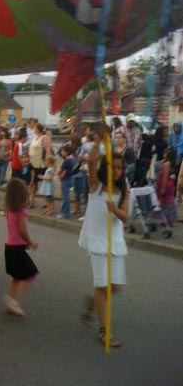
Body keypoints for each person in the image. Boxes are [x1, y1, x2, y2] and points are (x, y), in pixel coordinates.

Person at [78, 139, 129, 348]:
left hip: (115, 241)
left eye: (119, 168)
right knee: (102, 285)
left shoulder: (124, 190)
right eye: (112, 167)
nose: (116, 171)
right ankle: (104, 330)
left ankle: (92, 302)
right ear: (105, 168)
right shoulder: (96, 186)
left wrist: (115, 210)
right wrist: (97, 145)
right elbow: (91, 163)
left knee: (115, 286)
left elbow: (125, 217)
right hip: (97, 241)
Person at [3, 178, 38, 316]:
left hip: (9, 247)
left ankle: (10, 300)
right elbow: (23, 231)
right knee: (31, 274)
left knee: (16, 277)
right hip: (17, 249)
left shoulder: (9, 210)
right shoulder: (22, 212)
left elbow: (14, 231)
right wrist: (30, 242)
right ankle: (14, 301)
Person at [156, 147, 177, 226]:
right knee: (167, 202)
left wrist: (163, 188)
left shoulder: (166, 164)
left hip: (166, 184)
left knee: (166, 203)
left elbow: (165, 176)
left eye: (165, 153)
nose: (164, 154)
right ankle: (167, 219)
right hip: (168, 183)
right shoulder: (169, 162)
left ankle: (168, 219)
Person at [57, 145, 75, 219]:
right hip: (71, 179)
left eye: (62, 151)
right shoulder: (72, 160)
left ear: (66, 152)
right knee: (67, 197)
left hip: (65, 180)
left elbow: (59, 171)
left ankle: (65, 213)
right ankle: (65, 212)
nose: (61, 152)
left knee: (65, 197)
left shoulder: (66, 161)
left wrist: (58, 173)